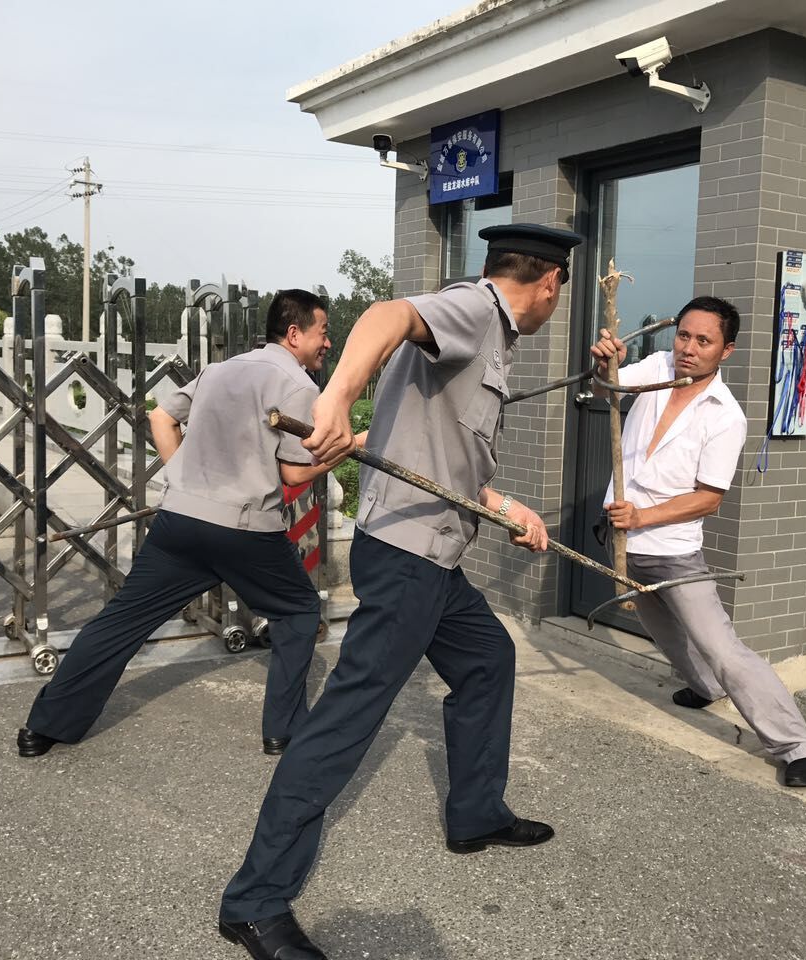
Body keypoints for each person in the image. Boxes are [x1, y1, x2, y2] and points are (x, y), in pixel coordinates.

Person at [216, 224, 581, 960]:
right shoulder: (475, 309)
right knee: (345, 720)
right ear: (548, 282)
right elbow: (386, 315)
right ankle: (254, 902)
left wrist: (507, 507)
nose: (554, 303)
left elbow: (444, 456)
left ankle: (476, 813)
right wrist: (336, 399)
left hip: (435, 554)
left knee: (487, 660)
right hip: (407, 558)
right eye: (558, 292)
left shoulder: (487, 335)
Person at [16, 289, 337, 760]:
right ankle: (283, 732)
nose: (327, 342)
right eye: (323, 332)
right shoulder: (298, 385)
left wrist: (186, 482)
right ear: (294, 333)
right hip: (246, 530)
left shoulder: (219, 371)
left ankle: (44, 727)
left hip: (181, 521)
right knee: (300, 611)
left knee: (123, 620)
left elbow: (161, 417)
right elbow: (293, 473)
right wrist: (345, 449)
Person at [590, 295, 806, 788]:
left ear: (726, 351)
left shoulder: (725, 416)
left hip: (673, 551)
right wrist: (603, 364)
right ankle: (702, 687)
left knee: (721, 648)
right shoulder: (657, 368)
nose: (689, 348)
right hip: (622, 541)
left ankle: (800, 747)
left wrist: (642, 515)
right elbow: (606, 388)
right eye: (684, 335)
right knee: (663, 632)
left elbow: (708, 498)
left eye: (704, 340)